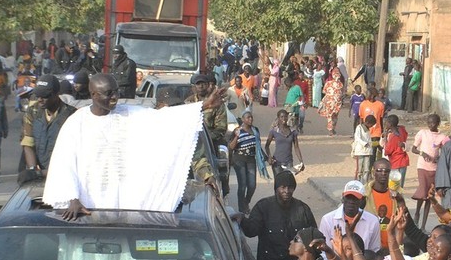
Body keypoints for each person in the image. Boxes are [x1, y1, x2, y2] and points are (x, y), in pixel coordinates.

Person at [42, 73, 223, 218]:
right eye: (108, 93)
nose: (115, 97)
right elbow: (64, 163)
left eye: (116, 91)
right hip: (89, 206)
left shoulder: (129, 113)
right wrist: (72, 198)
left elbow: (163, 120)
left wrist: (205, 105)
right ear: (93, 95)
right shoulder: (76, 123)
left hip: (126, 204)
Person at [21, 74, 77, 174]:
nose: (39, 99)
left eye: (44, 96)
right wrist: (33, 170)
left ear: (56, 94)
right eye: (38, 95)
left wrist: (48, 173)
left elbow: (74, 153)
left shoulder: (71, 115)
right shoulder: (33, 111)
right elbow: (28, 143)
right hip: (39, 173)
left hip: (63, 173)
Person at [319, 180, 381, 253]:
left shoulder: (373, 221)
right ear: (343, 198)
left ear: (362, 200)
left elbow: (374, 251)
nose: (351, 201)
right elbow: (324, 252)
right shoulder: (327, 220)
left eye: (355, 198)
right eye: (348, 197)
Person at [411, 113, 449, 230]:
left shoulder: (442, 137)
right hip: (422, 167)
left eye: (433, 123)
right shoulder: (423, 133)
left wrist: (440, 157)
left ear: (438, 124)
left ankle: (423, 225)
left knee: (429, 196)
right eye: (429, 123)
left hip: (434, 169)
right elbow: (413, 149)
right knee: (423, 190)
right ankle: (417, 213)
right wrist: (422, 153)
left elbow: (447, 150)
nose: (430, 125)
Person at [229, 111, 269, 214]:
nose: (250, 119)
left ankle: (246, 202)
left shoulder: (255, 130)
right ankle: (241, 208)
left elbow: (258, 147)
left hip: (251, 160)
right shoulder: (237, 131)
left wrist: (266, 158)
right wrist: (236, 137)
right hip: (239, 160)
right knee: (242, 185)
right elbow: (231, 147)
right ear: (243, 119)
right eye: (248, 118)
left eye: (251, 117)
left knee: (252, 185)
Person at [265, 109, 304, 177]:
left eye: (285, 116)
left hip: (289, 162)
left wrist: (301, 161)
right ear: (278, 118)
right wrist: (269, 157)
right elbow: (267, 146)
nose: (284, 118)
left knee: (288, 183)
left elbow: (296, 147)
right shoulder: (274, 131)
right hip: (276, 162)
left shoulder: (292, 131)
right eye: (281, 117)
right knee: (279, 184)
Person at [382, 114, 409, 188]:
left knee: (394, 186)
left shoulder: (393, 137)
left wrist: (386, 136)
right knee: (400, 185)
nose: (385, 124)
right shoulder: (402, 130)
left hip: (396, 162)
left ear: (390, 124)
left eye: (386, 123)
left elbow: (387, 151)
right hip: (403, 161)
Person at [318, 65, 343, 136]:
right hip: (337, 103)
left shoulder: (328, 83)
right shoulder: (341, 84)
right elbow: (342, 93)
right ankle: (332, 129)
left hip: (329, 102)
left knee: (330, 116)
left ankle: (331, 129)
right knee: (335, 116)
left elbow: (324, 92)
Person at [352, 114, 375, 184]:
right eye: (371, 125)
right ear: (368, 123)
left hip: (367, 152)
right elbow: (357, 138)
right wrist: (364, 143)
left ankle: (365, 183)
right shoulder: (359, 128)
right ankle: (357, 182)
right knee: (359, 169)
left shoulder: (367, 130)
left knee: (367, 169)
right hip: (360, 151)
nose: (371, 126)